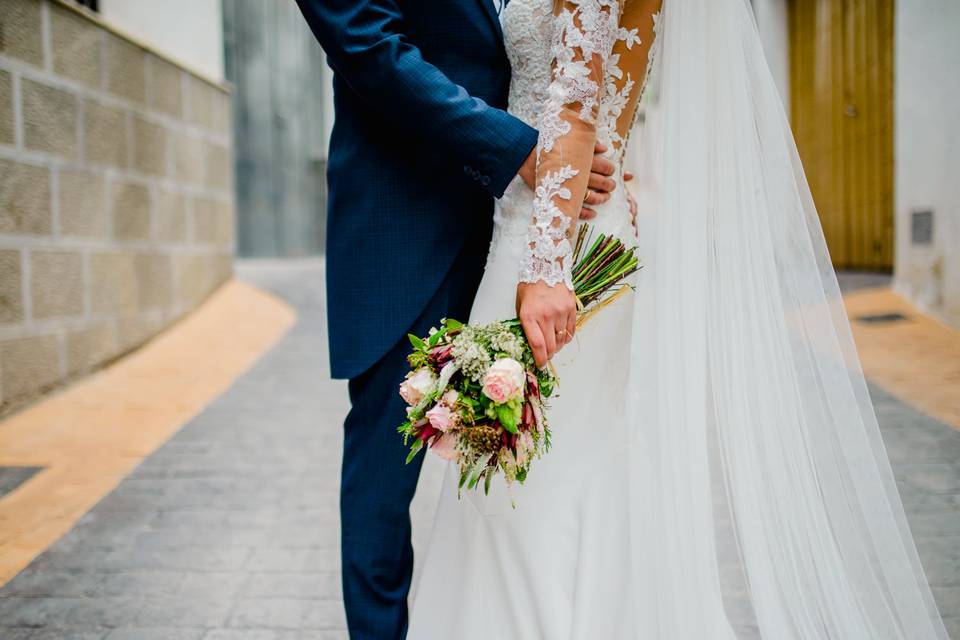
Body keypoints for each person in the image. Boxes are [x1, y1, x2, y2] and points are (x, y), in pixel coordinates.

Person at [408, 0, 949, 638]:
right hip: (570, 221)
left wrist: (547, 269)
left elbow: (577, 111)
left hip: (551, 241)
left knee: (528, 477)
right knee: (560, 464)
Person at [292, 1, 622, 638]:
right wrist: (524, 150)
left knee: (542, 465)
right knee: (386, 478)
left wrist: (582, 160)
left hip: (527, 228)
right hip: (410, 224)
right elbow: (368, 46)